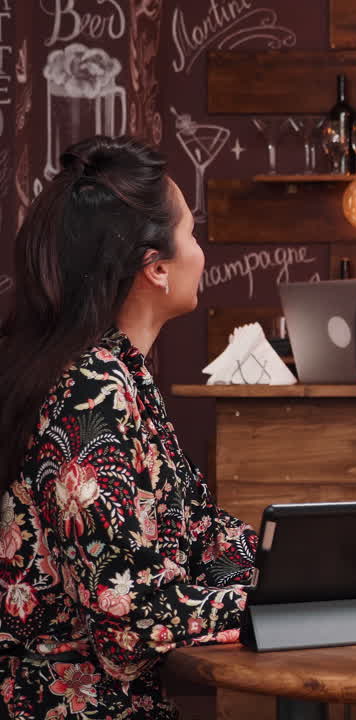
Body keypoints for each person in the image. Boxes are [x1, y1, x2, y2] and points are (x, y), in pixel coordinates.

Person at [0, 136, 257, 720]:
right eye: (191, 234)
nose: (202, 253)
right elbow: (130, 616)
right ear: (157, 268)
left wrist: (304, 570)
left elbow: (194, 534)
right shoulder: (90, 395)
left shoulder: (118, 376)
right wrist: (272, 605)